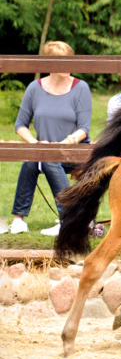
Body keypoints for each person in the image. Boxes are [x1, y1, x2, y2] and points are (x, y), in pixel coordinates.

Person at [1, 41, 92, 236]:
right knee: (31, 161)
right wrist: (35, 144)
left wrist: (64, 143)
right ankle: (18, 220)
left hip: (74, 152)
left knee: (45, 157)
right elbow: (20, 125)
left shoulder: (81, 87)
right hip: (45, 153)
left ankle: (68, 219)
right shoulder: (34, 88)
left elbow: (84, 128)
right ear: (48, 63)